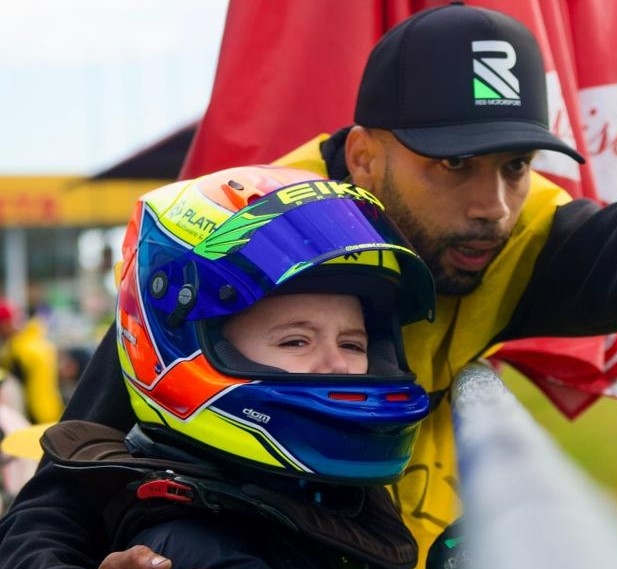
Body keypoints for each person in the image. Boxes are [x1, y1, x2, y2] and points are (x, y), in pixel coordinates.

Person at [0, 3, 617, 569]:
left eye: (513, 164)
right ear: (363, 156)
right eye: (453, 163)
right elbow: (75, 472)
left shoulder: (511, 225)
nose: (491, 206)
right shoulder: (234, 242)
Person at [36, 164, 436, 569]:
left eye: (353, 343)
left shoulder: (323, 500)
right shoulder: (195, 548)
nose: (340, 365)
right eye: (295, 340)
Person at [0, 297, 64, 425]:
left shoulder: (19, 351)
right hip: (51, 413)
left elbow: (35, 392)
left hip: (36, 418)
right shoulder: (36, 342)